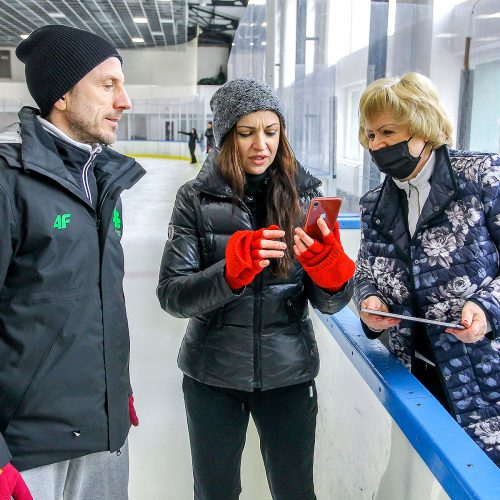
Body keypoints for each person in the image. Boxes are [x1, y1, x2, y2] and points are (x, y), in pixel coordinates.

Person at [157, 78, 355, 499]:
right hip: (213, 374)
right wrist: (228, 273)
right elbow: (172, 295)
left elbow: (329, 303)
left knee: (296, 492)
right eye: (246, 133)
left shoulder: (308, 200)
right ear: (226, 136)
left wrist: (334, 277)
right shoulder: (194, 199)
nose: (260, 145)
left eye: (271, 131)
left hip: (289, 373)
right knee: (215, 492)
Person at [0, 25, 144, 499]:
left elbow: (93, 302)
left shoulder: (103, 178)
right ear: (62, 93)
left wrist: (113, 388)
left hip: (102, 435)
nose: (124, 101)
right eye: (108, 85)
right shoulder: (8, 180)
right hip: (27, 451)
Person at [354, 72, 500, 466]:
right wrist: (368, 299)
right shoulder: (375, 203)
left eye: (387, 131)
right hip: (414, 375)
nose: (377, 144)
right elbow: (366, 271)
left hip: (484, 377)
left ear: (423, 126)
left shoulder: (483, 177)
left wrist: (487, 309)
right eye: (369, 135)